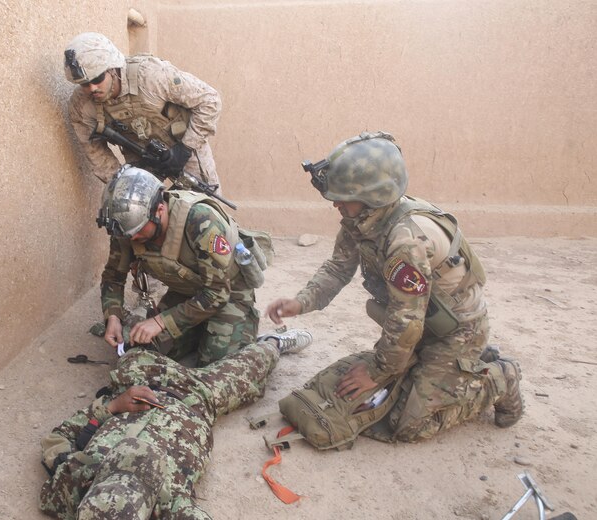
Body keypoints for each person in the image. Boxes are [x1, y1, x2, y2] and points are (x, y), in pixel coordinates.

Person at [265, 131, 523, 443]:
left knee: (408, 425)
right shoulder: (362, 220)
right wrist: (301, 302)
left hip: (455, 331)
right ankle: (460, 369)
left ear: (373, 195)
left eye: (343, 197)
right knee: (379, 391)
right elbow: (337, 268)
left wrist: (376, 370)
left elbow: (406, 320)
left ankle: (498, 378)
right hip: (421, 324)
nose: (335, 204)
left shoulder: (406, 240)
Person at [38, 328, 313, 520]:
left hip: (143, 374)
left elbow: (58, 438)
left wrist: (113, 405)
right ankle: (275, 341)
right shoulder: (170, 505)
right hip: (200, 397)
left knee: (140, 333)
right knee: (253, 364)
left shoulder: (72, 479)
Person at [96, 165, 265, 367]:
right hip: (187, 293)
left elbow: (217, 294)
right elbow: (113, 276)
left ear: (159, 210)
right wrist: (112, 316)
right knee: (140, 352)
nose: (133, 239)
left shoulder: (200, 221)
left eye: (138, 231)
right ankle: (198, 330)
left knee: (216, 368)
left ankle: (272, 343)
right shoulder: (128, 227)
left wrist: (160, 322)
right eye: (128, 234)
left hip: (228, 293)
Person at [63, 32, 222, 189]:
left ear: (112, 69)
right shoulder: (81, 106)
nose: (92, 88)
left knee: (203, 208)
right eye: (84, 84)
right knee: (132, 209)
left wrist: (185, 148)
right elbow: (95, 152)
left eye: (97, 79)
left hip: (185, 149)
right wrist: (122, 184)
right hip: (141, 159)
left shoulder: (151, 76)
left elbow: (210, 101)